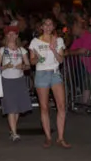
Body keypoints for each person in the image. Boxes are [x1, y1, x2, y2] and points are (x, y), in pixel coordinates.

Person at [29, 17, 70, 148]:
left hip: (55, 73)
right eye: (45, 24)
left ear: (53, 27)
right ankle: (48, 137)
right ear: (41, 27)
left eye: (50, 24)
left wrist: (53, 50)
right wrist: (37, 58)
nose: (48, 27)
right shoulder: (35, 42)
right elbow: (32, 61)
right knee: (44, 107)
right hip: (41, 74)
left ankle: (61, 138)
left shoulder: (59, 40)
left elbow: (61, 60)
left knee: (61, 106)